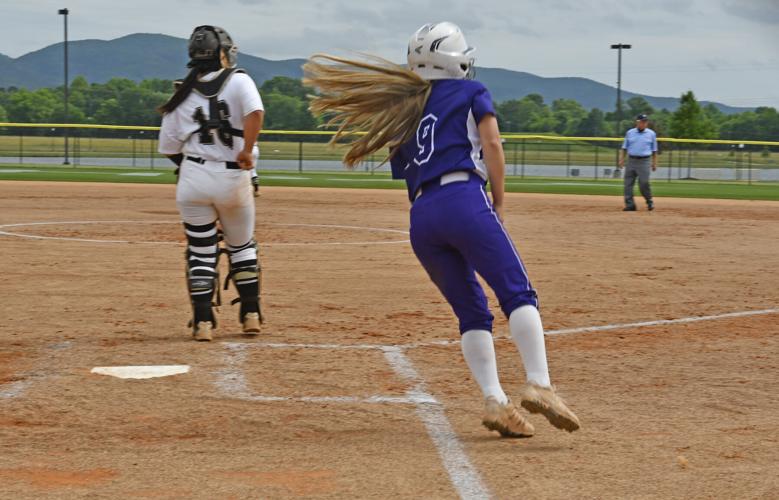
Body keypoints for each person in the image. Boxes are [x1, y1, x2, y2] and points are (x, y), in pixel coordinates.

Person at [304, 22, 579, 437]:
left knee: (472, 312)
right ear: (456, 60)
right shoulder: (472, 91)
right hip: (463, 199)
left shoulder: (406, 109)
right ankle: (539, 383)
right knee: (517, 292)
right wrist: (499, 202)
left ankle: (495, 401)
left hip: (422, 217)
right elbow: (493, 146)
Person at [157, 25, 265, 341]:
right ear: (222, 53)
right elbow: (256, 113)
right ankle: (250, 314)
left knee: (200, 249)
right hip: (233, 176)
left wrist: (193, 168)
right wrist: (245, 151)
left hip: (193, 178)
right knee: (241, 246)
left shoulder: (181, 91)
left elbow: (168, 148)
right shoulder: (239, 80)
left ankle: (203, 321)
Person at [618, 114, 658, 211]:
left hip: (644, 161)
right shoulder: (630, 133)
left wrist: (654, 163)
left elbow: (654, 150)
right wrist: (622, 159)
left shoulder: (651, 134)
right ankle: (630, 204)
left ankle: (649, 200)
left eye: (645, 122)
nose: (644, 123)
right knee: (628, 183)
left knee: (644, 183)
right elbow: (624, 147)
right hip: (631, 160)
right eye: (642, 121)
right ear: (637, 122)